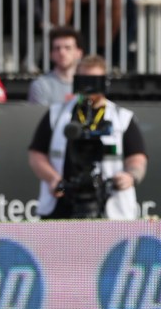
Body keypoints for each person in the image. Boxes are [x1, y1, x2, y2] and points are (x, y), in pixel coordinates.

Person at [27, 54, 147, 220]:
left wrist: (130, 176)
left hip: (110, 206)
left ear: (105, 82)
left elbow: (137, 157)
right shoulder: (57, 113)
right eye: (85, 80)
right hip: (62, 203)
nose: (90, 87)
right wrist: (53, 179)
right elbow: (36, 154)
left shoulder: (122, 117)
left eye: (95, 81)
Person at [27, 26, 84, 106]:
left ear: (79, 53)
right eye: (57, 48)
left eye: (67, 48)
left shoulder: (87, 85)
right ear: (51, 54)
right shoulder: (40, 85)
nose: (62, 53)